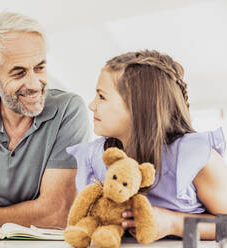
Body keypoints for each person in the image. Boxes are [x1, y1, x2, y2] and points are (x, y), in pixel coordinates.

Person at [66, 50, 227, 240]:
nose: (92, 105)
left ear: (138, 107)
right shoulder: (98, 157)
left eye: (102, 96)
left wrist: (174, 223)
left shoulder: (196, 158)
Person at [0, 12, 90, 228]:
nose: (34, 84)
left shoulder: (69, 109)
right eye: (19, 73)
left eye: (40, 67)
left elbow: (57, 213)